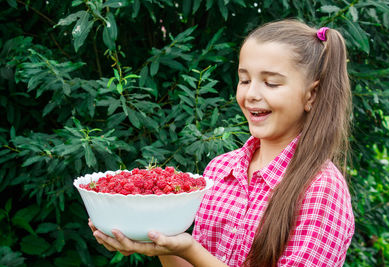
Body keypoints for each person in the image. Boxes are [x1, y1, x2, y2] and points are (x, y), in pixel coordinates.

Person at [88, 19, 355, 266]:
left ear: (312, 95)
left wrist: (190, 249)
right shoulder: (219, 170)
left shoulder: (322, 189)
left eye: (271, 83)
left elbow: (195, 253)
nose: (251, 94)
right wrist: (162, 241)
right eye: (244, 80)